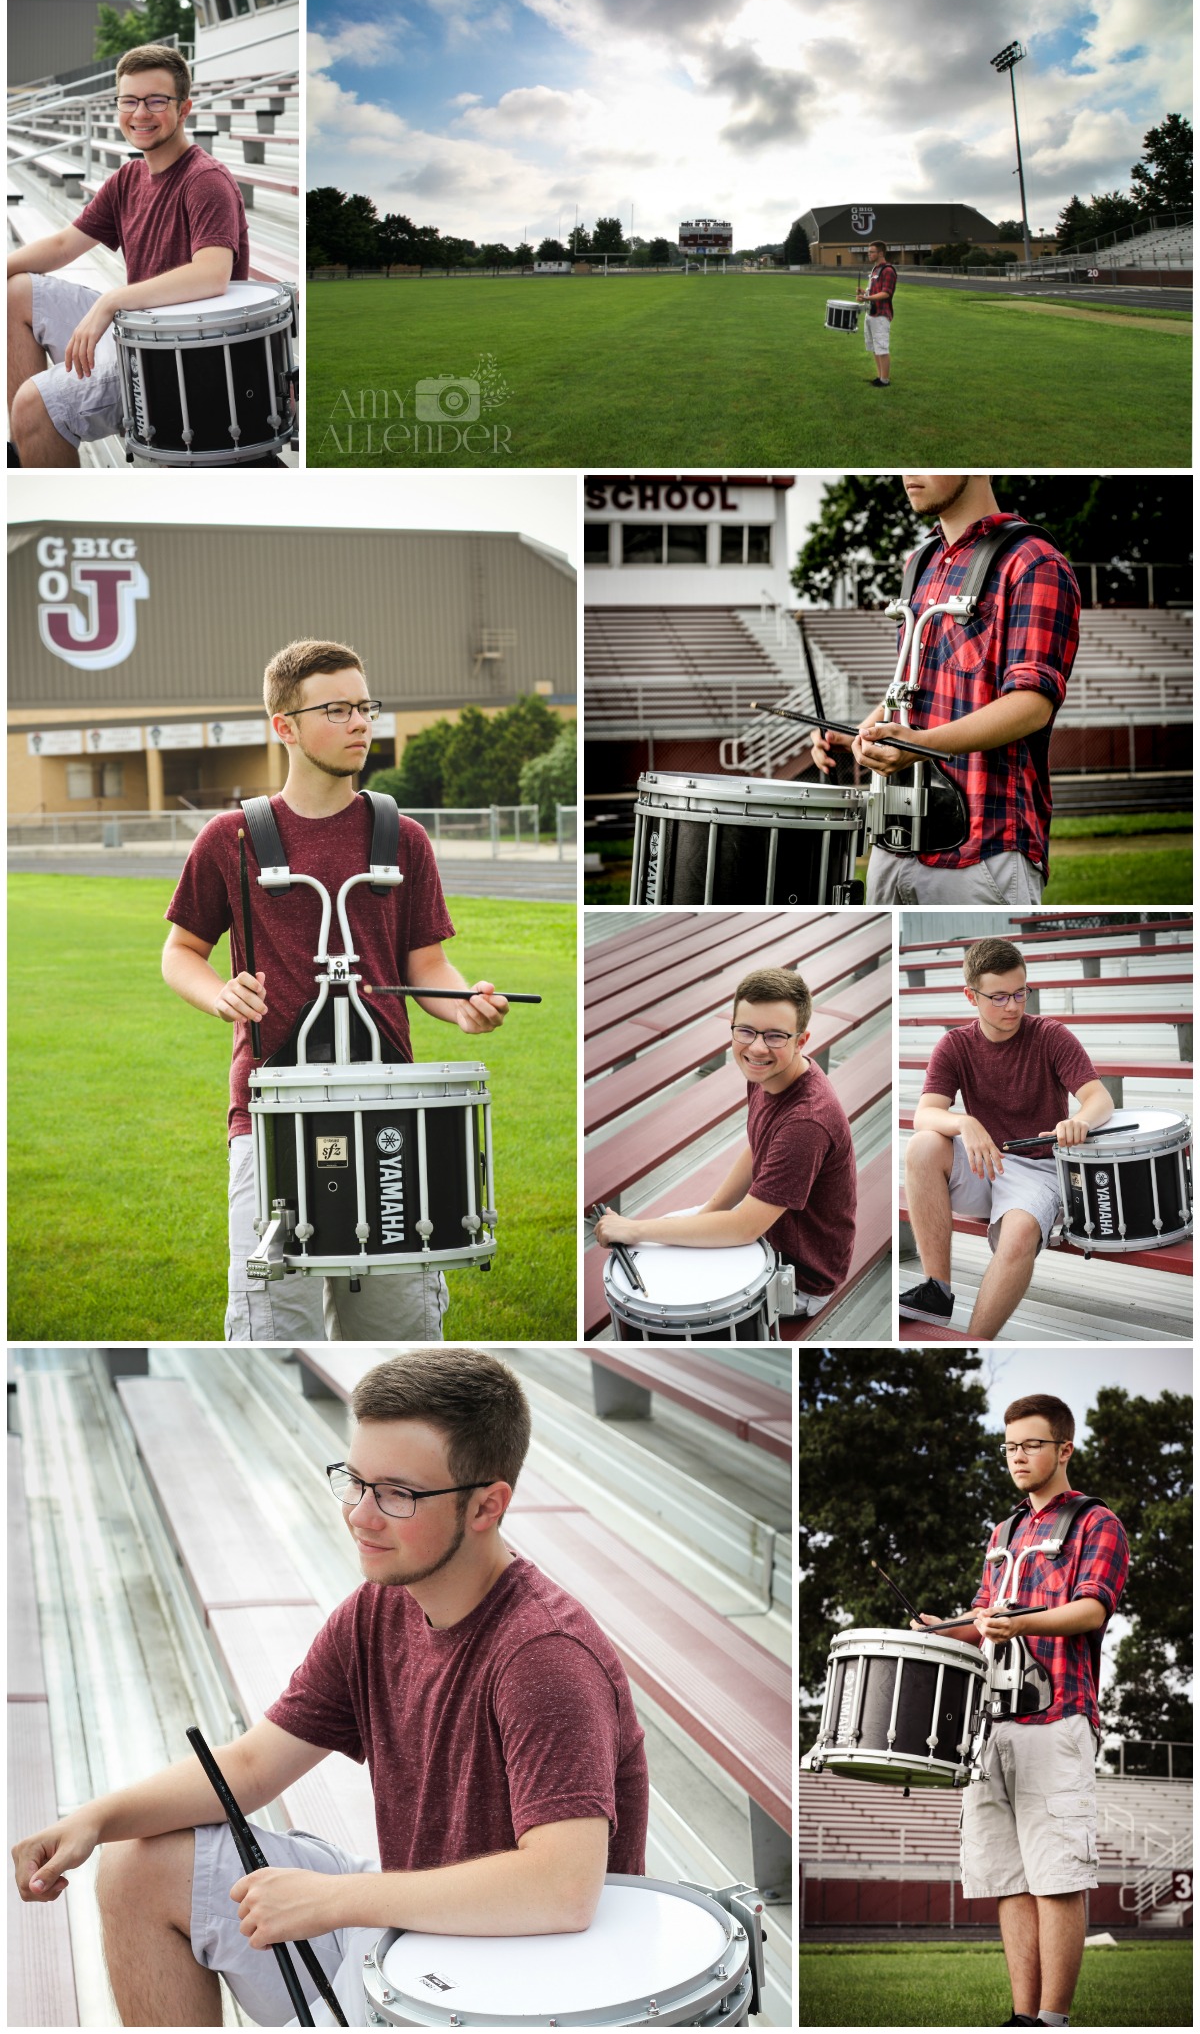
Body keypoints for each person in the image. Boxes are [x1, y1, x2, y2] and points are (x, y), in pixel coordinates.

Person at [11, 1349, 650, 2028]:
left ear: (487, 1504)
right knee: (138, 1867)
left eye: (398, 1493)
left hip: (527, 1980)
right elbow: (254, 1765)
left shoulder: (543, 1654)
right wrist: (95, 1818)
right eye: (356, 1480)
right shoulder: (379, 1610)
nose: (361, 1516)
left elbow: (562, 1890)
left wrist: (338, 1898)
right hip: (413, 1927)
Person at [162, 640, 510, 1343]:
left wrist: (464, 1006)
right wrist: (217, 993)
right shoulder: (231, 839)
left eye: (364, 705)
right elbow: (181, 953)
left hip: (389, 1111)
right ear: (284, 724)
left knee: (397, 1336)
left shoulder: (402, 836)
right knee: (274, 1331)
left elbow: (427, 968)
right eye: (338, 709)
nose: (361, 723)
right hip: (269, 1116)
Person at [910, 1393, 1128, 2029]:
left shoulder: (1097, 1522)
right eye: (1009, 1447)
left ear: (1064, 1449)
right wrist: (944, 1630)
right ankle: (1022, 2016)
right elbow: (984, 1622)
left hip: (1057, 1715)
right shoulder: (1001, 1533)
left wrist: (1017, 1621)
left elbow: (1092, 1609)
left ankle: (1055, 2018)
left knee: (1056, 1876)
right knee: (1007, 1878)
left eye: (1031, 1445)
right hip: (990, 1725)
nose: (1017, 1457)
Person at [810, 474, 1081, 906]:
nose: (908, 473)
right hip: (895, 840)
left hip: (983, 848)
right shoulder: (919, 562)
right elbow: (914, 685)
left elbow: (1032, 704)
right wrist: (860, 733)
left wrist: (923, 746)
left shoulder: (1034, 562)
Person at [7, 43, 250, 467]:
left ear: (184, 108)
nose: (140, 113)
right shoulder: (129, 178)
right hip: (131, 330)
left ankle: (41, 444)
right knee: (15, 292)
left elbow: (212, 274)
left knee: (34, 404)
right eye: (130, 100)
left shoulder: (205, 179)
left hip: (177, 357)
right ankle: (31, 442)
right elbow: (65, 245)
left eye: (157, 101)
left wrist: (111, 300)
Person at [595, 966, 857, 1319]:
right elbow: (758, 1149)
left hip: (797, 1276)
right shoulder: (766, 1071)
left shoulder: (807, 1121)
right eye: (746, 1031)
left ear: (801, 1041)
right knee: (665, 1238)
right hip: (764, 1237)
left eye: (776, 1036)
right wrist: (707, 1214)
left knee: (661, 1292)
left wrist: (635, 1229)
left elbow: (744, 1227)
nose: (757, 1047)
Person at [900, 938, 1114, 1337]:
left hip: (1040, 1168)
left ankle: (974, 1345)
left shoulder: (1051, 1035)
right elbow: (924, 1115)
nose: (1013, 1006)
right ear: (971, 996)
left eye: (1020, 993)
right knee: (923, 1145)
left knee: (1017, 1238)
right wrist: (964, 1123)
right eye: (998, 997)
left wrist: (1080, 1120)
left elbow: (1099, 1098)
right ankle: (936, 1290)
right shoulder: (955, 1045)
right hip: (987, 1163)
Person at [857, 238, 897, 387]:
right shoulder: (875, 269)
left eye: (872, 252)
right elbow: (874, 290)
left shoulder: (888, 270)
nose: (869, 254)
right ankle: (879, 376)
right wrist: (864, 292)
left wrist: (866, 297)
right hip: (871, 313)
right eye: (869, 252)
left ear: (880, 253)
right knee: (874, 347)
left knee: (882, 347)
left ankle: (885, 380)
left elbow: (886, 293)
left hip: (881, 315)